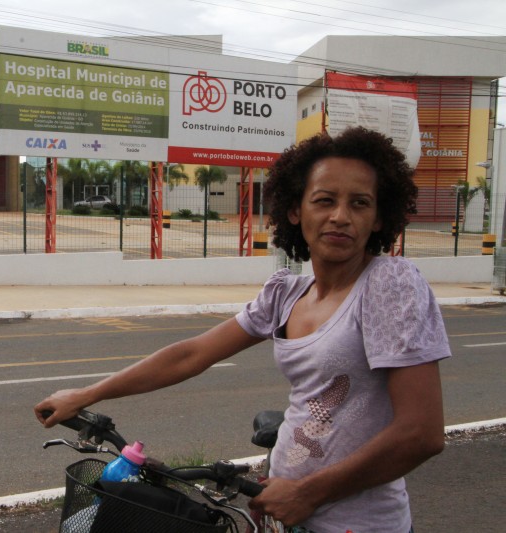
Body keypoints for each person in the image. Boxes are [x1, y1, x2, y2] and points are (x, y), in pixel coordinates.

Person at [34, 126, 450, 533]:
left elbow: (421, 433)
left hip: (355, 522)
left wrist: (308, 493)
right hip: (278, 508)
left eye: (360, 203)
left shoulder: (388, 284)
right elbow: (192, 354)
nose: (340, 216)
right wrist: (88, 394)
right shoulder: (286, 294)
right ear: (295, 210)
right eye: (324, 200)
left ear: (378, 218)